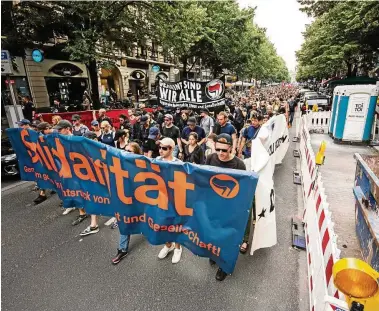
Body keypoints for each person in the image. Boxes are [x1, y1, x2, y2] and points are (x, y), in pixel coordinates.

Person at [205, 133, 246, 281]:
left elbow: (243, 189)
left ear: (230, 148)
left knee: (226, 238)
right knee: (213, 234)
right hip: (213, 206)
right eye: (218, 150)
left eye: (224, 150)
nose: (221, 154)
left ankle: (224, 265)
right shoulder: (210, 158)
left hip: (229, 208)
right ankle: (215, 255)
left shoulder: (239, 164)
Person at [111, 142, 142, 264]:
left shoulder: (143, 165)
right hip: (127, 200)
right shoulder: (119, 164)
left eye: (130, 151)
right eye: (125, 150)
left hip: (142, 200)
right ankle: (122, 249)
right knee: (125, 222)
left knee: (147, 221)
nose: (126, 153)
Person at [53, 120, 89, 223]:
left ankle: (90, 210)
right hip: (68, 171)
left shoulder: (77, 140)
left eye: (60, 129)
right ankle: (82, 212)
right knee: (74, 191)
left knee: (83, 190)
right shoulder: (60, 141)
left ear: (67, 129)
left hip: (80, 171)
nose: (58, 131)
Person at [157, 137, 183, 264]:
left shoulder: (178, 164)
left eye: (164, 148)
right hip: (161, 198)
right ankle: (168, 245)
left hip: (175, 199)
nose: (161, 150)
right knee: (163, 223)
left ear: (171, 149)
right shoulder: (156, 160)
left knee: (176, 224)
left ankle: (178, 248)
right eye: (160, 147)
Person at [79, 131, 101, 236]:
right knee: (93, 198)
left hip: (105, 179)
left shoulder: (104, 150)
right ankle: (93, 224)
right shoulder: (86, 151)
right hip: (94, 180)